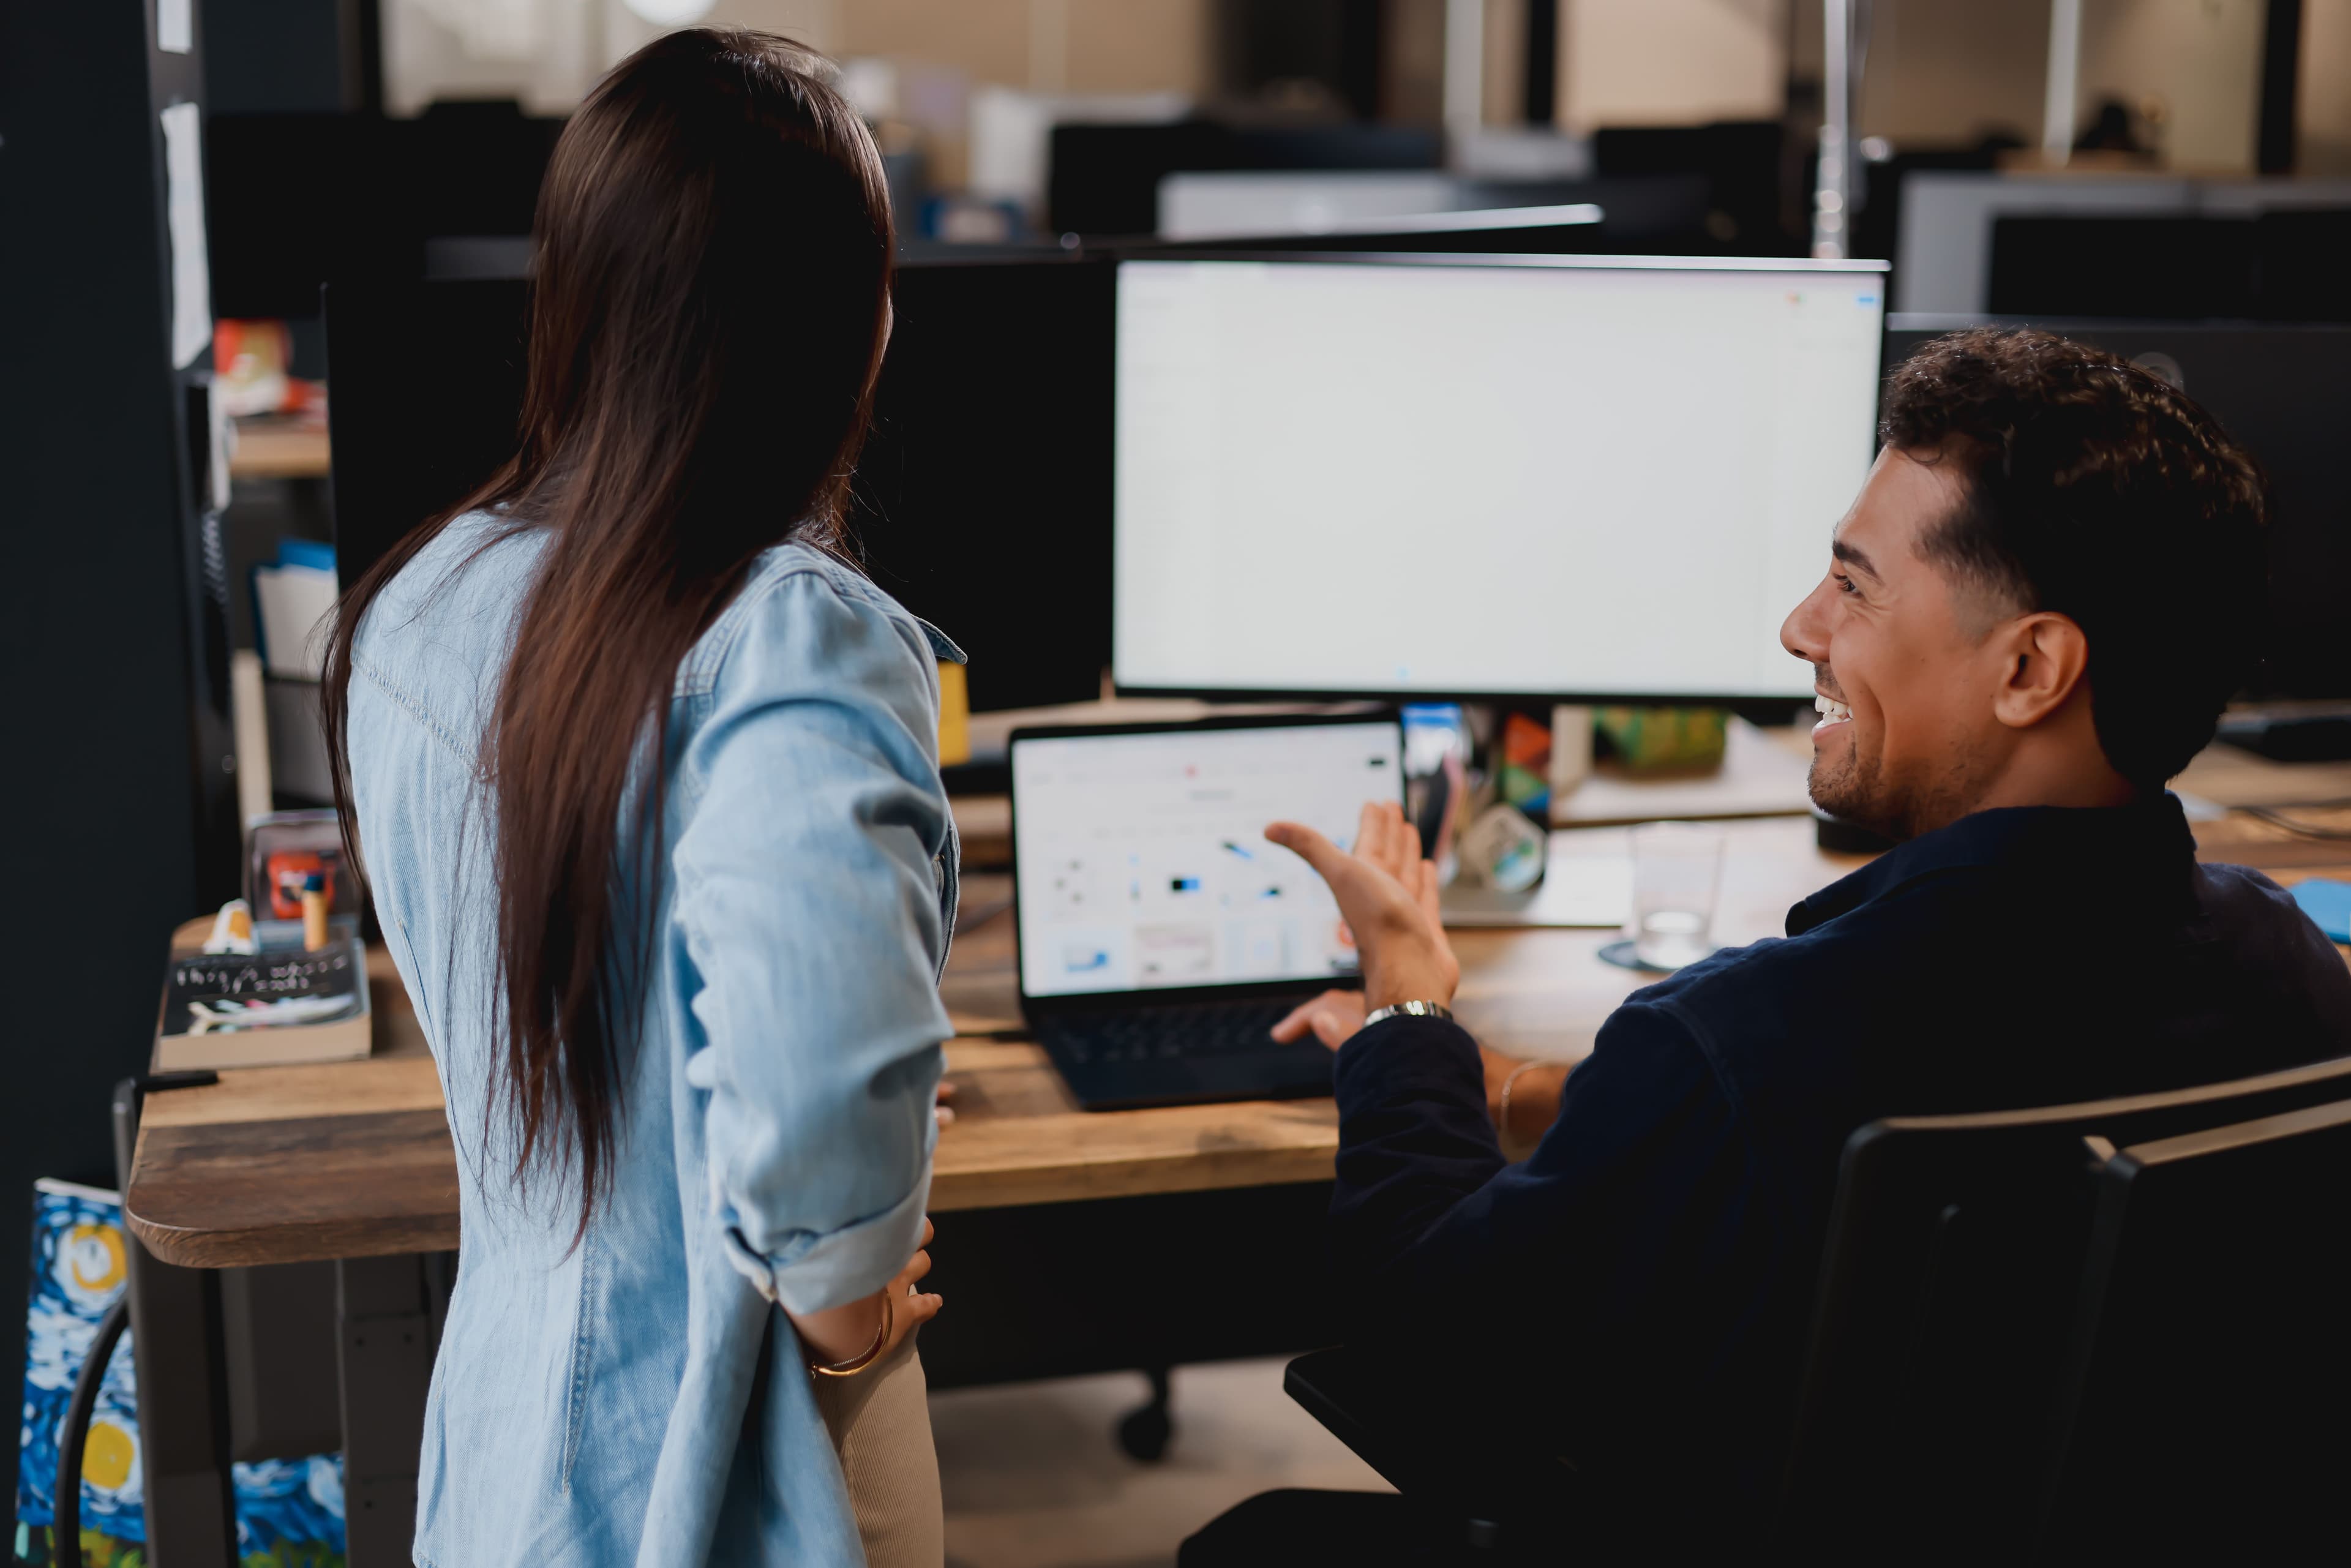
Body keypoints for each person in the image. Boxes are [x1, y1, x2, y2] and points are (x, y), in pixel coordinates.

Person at [1260, 328, 2351, 1527]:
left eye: (1854, 584)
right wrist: (1521, 1086)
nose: (1799, 626)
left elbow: (1432, 1341)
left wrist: (1408, 1011)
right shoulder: (2293, 970)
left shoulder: (1742, 1041)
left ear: (2032, 668)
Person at [324, 31, 954, 1567]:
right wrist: (855, 1309)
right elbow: (816, 1100)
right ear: (849, 327)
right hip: (728, 1476)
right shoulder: (788, 641)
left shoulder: (425, 599)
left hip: (510, 1452)